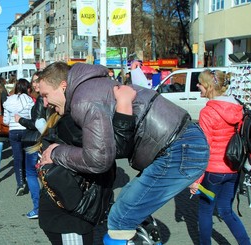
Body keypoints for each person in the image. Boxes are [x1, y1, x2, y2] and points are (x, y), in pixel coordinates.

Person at [37, 61, 209, 244]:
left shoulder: (82, 100)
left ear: (63, 86)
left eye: (46, 95)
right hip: (182, 144)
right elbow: (113, 146)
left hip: (178, 149)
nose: (45, 103)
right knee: (124, 206)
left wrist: (56, 152)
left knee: (120, 219)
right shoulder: (92, 87)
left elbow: (101, 158)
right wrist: (123, 105)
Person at [190, 70, 251, 245]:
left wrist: (196, 179)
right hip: (233, 169)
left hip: (212, 173)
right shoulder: (238, 108)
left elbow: (204, 148)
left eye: (200, 83)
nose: (197, 86)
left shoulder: (207, 112)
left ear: (208, 87)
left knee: (205, 211)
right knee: (226, 210)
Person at [14, 71, 46, 219]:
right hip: (39, 140)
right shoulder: (41, 99)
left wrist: (21, 120)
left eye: (37, 81)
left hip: (35, 141)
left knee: (33, 175)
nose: (35, 84)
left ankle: (39, 207)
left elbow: (37, 123)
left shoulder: (41, 100)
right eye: (33, 81)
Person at [3, 79, 34, 196]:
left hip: (13, 130)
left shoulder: (9, 101)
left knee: (17, 158)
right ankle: (29, 179)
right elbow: (32, 117)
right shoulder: (29, 100)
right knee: (27, 156)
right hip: (26, 130)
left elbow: (6, 120)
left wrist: (12, 120)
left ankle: (20, 183)